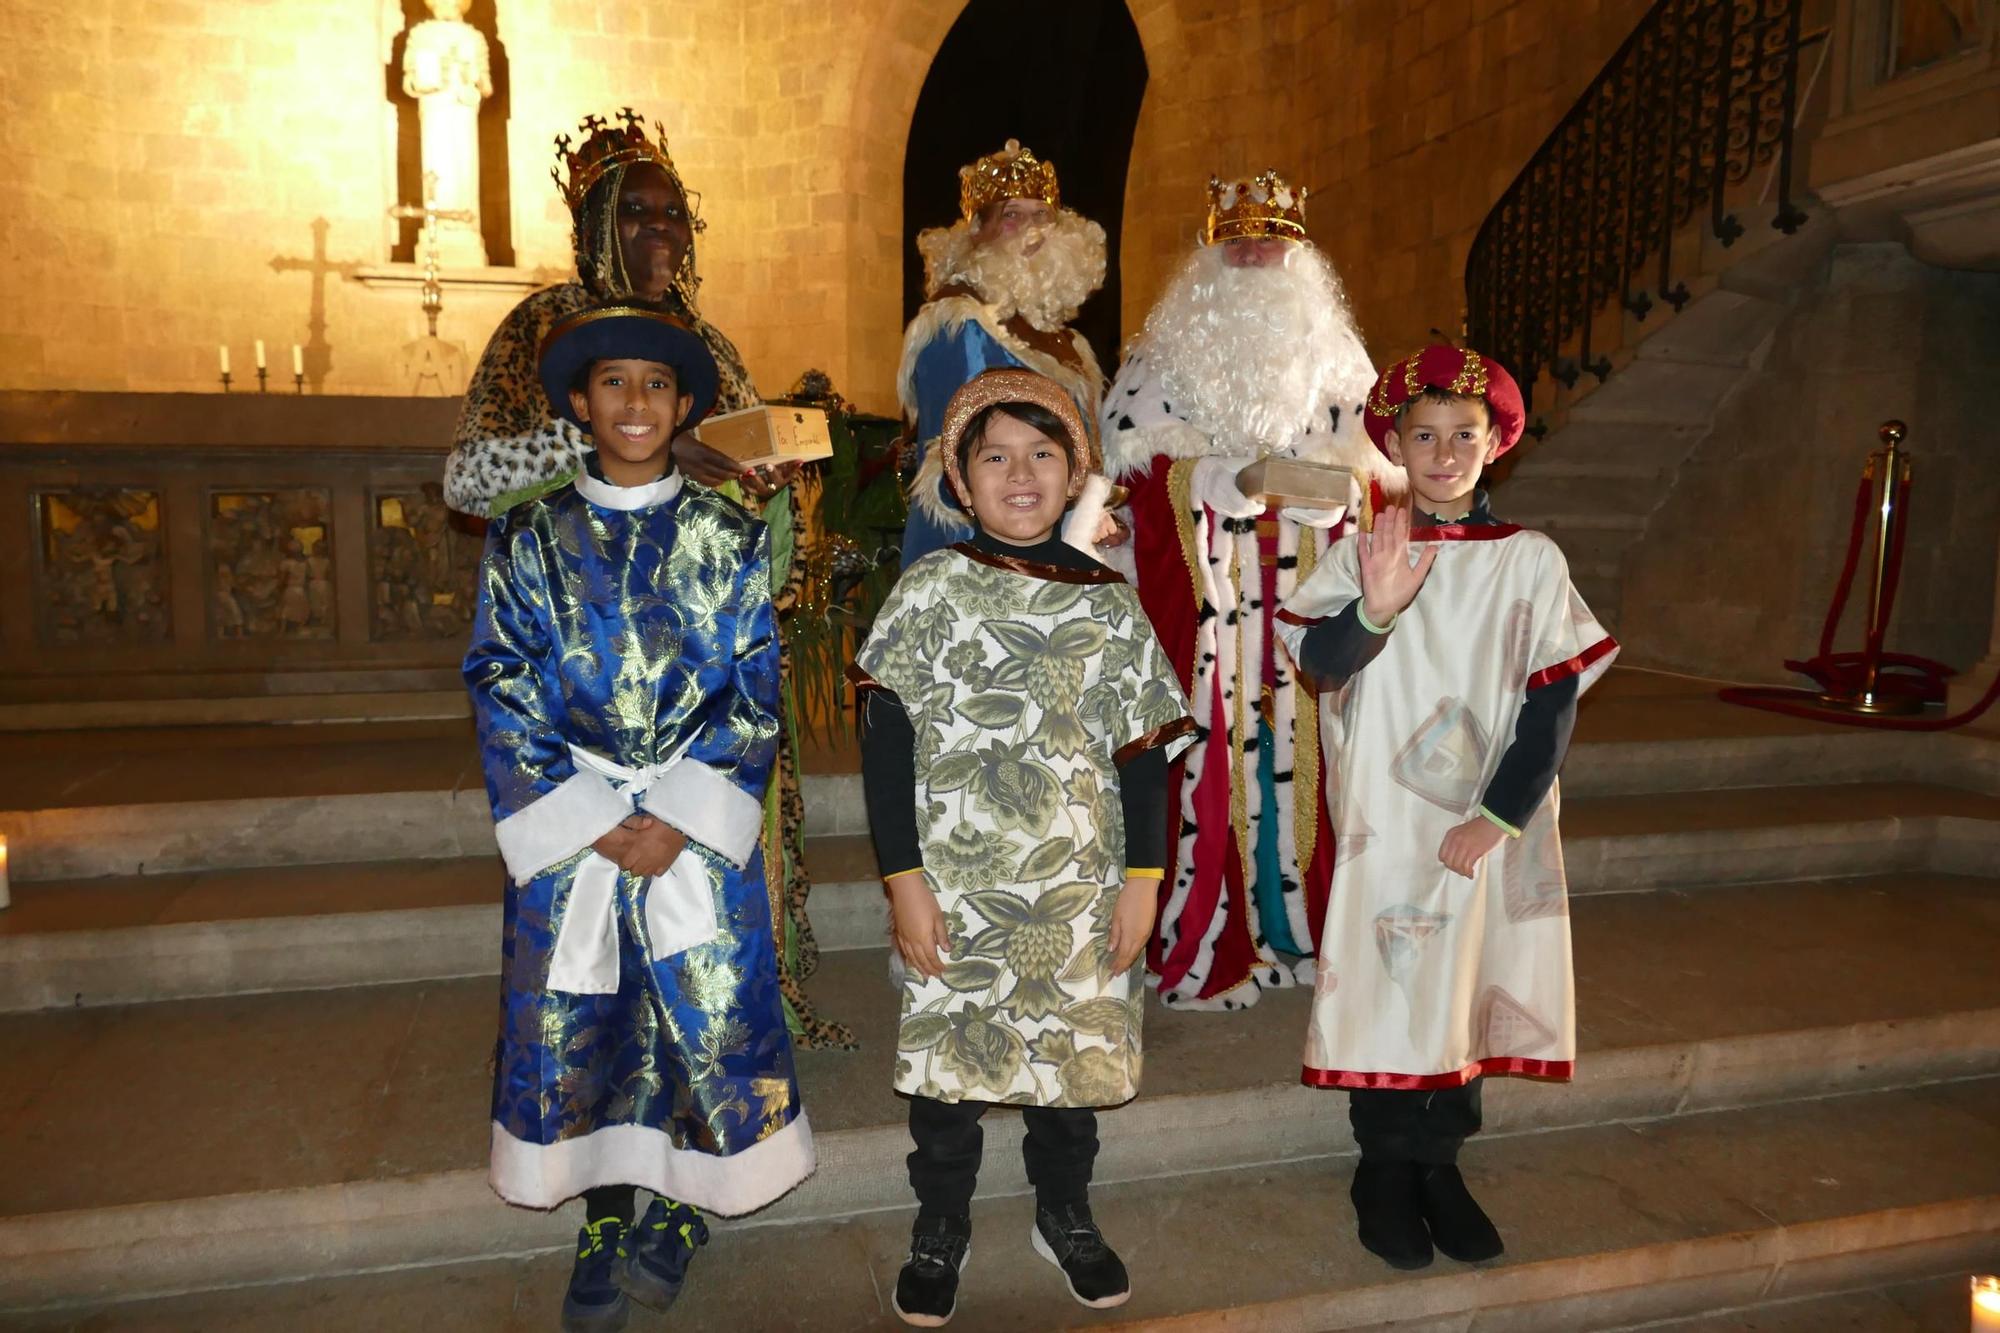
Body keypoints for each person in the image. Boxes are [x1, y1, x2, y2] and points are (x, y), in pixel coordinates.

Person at [446, 108, 850, 1049]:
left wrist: (763, 478)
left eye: (676, 214)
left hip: (704, 652)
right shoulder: (543, 325)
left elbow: (754, 495)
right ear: (594, 222)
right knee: (590, 921)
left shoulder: (706, 341)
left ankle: (743, 1026)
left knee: (710, 891)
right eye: (639, 212)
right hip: (585, 646)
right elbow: (469, 477)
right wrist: (626, 439)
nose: (663, 230)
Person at [465, 303, 814, 1332]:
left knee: (694, 1017)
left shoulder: (725, 534)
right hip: (575, 827)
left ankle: (679, 1199)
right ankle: (608, 1212)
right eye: (612, 383)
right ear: (580, 401)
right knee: (592, 1023)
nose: (634, 403)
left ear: (683, 406)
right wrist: (585, 815)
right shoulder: (528, 537)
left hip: (689, 822)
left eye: (656, 386)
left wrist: (677, 813)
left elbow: (754, 686)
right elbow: (498, 677)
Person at [851, 369, 1193, 1326]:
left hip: (1076, 888)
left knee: (1066, 1069)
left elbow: (1144, 759)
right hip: (955, 887)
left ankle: (1065, 1211)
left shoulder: (1109, 606)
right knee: (950, 1079)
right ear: (960, 480)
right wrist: (904, 881)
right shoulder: (929, 592)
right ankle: (941, 1221)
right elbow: (887, 747)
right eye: (994, 455)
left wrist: (1144, 880)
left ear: (1074, 470)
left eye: (1043, 453)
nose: (1020, 473)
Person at [1272, 345, 1617, 1272]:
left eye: (1463, 434)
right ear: (1394, 443)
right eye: (1421, 436)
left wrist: (1499, 816)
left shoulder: (1530, 560)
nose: (1442, 453)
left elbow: (1551, 702)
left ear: (1495, 441)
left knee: (1466, 978)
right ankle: (1381, 1166)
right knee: (1390, 985)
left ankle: (1440, 1163)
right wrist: (1375, 610)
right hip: (1390, 816)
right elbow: (1319, 666)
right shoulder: (1364, 551)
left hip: (1487, 818)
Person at [1100, 171, 1391, 1011]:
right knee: (1207, 768)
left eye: (1274, 239)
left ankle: (1295, 927)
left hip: (1307, 604)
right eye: (1240, 240)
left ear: (1302, 255)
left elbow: (1374, 478)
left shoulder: (1341, 360)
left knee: (1308, 772)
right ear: (1211, 254)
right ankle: (1211, 933)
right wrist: (1225, 479)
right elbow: (1136, 477)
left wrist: (1330, 493)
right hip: (1209, 612)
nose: (1257, 253)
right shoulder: (1160, 359)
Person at [897, 140, 1110, 566]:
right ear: (977, 230)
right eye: (1012, 215)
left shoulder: (1070, 344)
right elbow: (950, 468)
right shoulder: (959, 325)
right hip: (980, 555)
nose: (1032, 230)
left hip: (1063, 544)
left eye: (1041, 215)